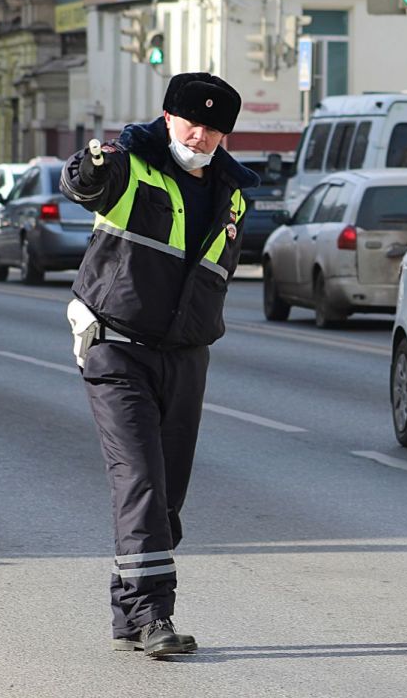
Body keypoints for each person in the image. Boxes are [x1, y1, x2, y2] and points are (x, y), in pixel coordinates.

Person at [60, 72, 259, 658]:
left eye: (214, 129)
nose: (201, 136)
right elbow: (86, 183)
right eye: (192, 123)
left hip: (186, 355)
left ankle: (129, 613)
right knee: (141, 480)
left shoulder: (233, 194)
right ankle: (153, 616)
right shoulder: (131, 166)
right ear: (168, 117)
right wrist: (90, 168)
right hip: (117, 347)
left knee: (166, 495)